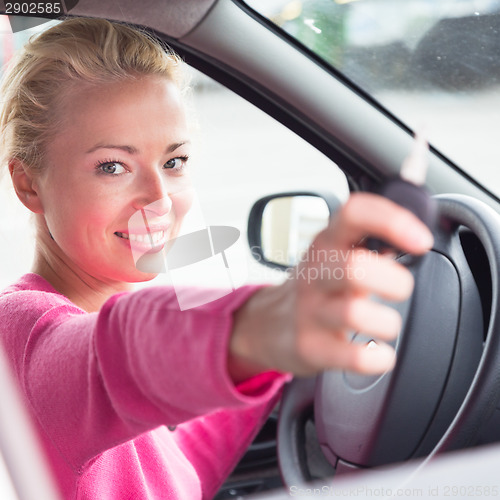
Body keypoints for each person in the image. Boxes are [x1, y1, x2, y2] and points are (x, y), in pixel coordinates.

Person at [0, 17, 433, 499]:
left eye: (173, 162)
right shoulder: (20, 333)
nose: (159, 197)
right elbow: (121, 350)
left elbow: (180, 476)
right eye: (112, 166)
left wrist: (274, 353)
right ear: (28, 183)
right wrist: (266, 321)